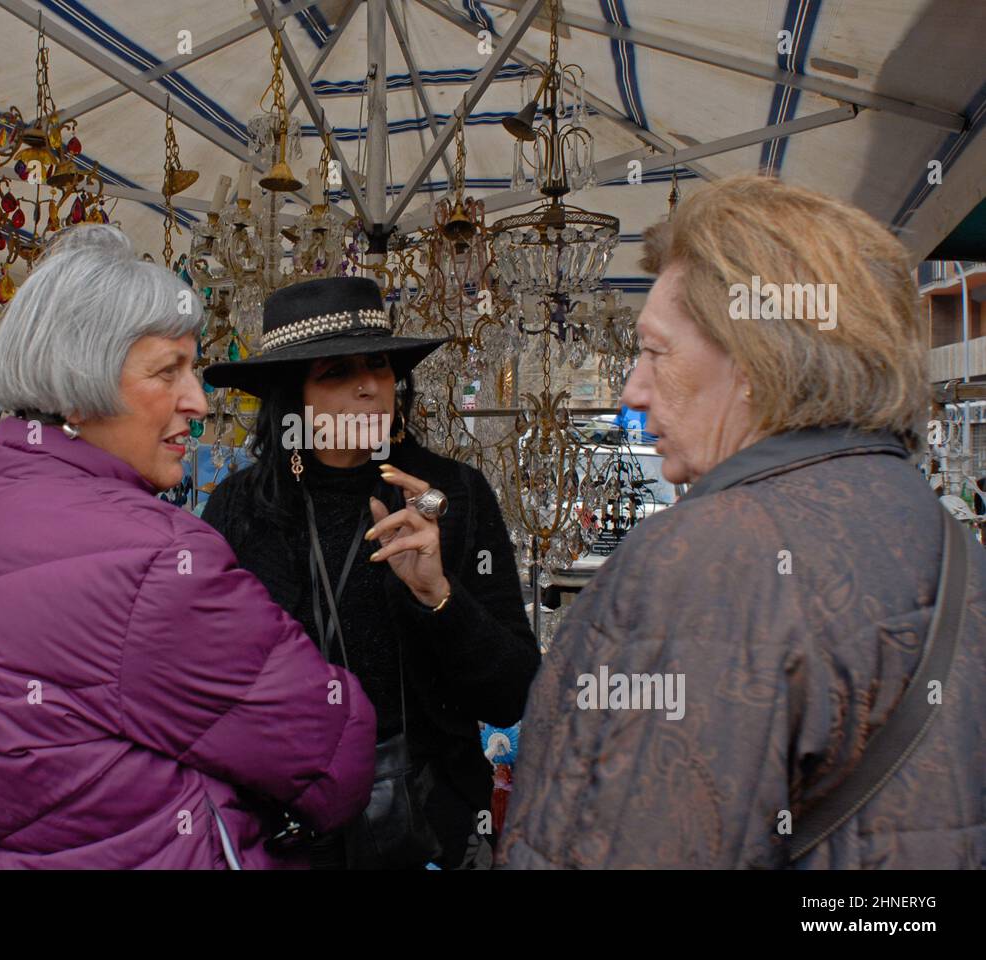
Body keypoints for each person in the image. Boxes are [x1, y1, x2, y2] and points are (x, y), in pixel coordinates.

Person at [499, 174, 986, 869]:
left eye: (655, 352)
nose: (634, 390)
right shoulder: (948, 543)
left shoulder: (710, 559)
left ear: (757, 361)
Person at [0, 226, 376, 869]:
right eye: (167, 371)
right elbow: (332, 752)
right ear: (78, 384)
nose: (198, 400)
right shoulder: (154, 559)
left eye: (194, 369)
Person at [201, 276, 540, 870]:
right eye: (336, 372)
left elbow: (514, 691)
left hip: (428, 825)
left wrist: (438, 597)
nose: (367, 387)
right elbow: (205, 681)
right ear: (292, 394)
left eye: (379, 365)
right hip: (282, 827)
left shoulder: (450, 495)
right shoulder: (241, 506)